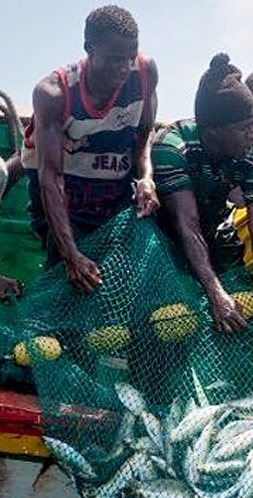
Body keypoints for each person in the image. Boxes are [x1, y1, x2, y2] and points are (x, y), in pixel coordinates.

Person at [153, 53, 253, 342]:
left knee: (240, 313)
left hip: (214, 233)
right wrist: (215, 293)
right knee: (167, 324)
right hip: (161, 241)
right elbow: (187, 226)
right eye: (244, 128)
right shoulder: (173, 146)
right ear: (212, 131)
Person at [21, 5, 159, 293]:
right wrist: (70, 255)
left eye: (130, 57)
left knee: (120, 282)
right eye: (115, 59)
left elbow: (144, 137)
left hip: (111, 193)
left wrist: (146, 178)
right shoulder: (54, 93)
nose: (125, 68)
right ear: (89, 48)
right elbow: (51, 179)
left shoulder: (145, 73)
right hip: (64, 198)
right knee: (68, 284)